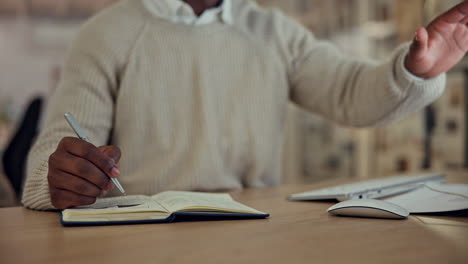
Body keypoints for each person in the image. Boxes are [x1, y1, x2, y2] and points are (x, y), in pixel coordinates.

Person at [22, 0, 468, 210]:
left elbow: (351, 93)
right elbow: (51, 158)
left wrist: (418, 70)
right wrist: (58, 178)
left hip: (255, 228)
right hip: (140, 237)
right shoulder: (106, 33)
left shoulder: (275, 31)